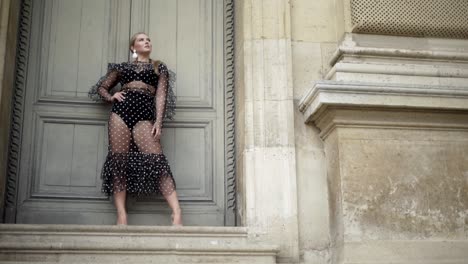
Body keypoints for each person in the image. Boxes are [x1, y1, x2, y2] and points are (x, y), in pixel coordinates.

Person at [89, 32, 182, 226]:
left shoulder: (158, 67)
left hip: (144, 117)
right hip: (120, 115)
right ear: (133, 47)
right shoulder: (122, 67)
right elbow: (102, 87)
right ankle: (122, 215)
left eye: (148, 39)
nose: (146, 41)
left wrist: (158, 121)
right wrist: (111, 97)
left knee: (157, 161)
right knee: (119, 162)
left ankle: (176, 212)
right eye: (141, 39)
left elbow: (161, 96)